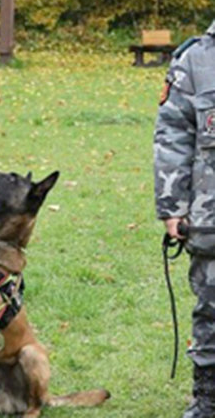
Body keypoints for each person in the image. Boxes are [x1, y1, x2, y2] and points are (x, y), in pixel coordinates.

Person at [154, 23, 215, 418]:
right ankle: (208, 397)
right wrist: (172, 205)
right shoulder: (196, 59)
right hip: (210, 215)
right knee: (211, 307)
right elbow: (173, 135)